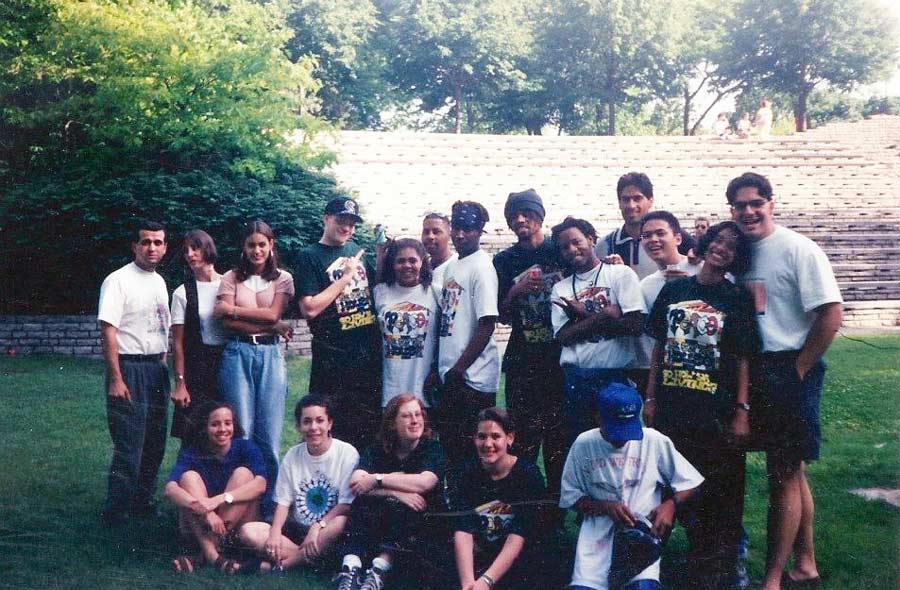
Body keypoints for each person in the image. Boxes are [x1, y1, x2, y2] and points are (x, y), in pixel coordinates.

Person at [727, 172, 842, 590]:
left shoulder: (797, 249)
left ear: (771, 203)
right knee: (791, 473)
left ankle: (772, 579)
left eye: (756, 202)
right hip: (751, 368)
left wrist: (798, 369)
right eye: (740, 205)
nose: (748, 211)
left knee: (782, 474)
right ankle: (805, 563)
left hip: (789, 367)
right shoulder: (740, 253)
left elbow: (831, 313)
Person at [644, 221, 760, 590]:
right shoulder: (675, 290)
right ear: (706, 243)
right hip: (673, 406)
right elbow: (659, 348)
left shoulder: (737, 297)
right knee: (665, 484)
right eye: (718, 240)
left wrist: (742, 411)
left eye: (731, 246)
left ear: (736, 258)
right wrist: (650, 397)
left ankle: (716, 570)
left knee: (718, 493)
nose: (722, 248)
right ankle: (647, 566)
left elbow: (742, 357)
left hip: (715, 408)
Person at [560, 383, 704, 590]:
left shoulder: (653, 441)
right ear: (598, 418)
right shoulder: (584, 444)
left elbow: (691, 481)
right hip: (597, 535)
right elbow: (570, 497)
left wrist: (670, 505)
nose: (622, 438)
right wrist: (605, 506)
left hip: (640, 538)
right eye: (615, 430)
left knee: (643, 586)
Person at [491, 189, 566, 521]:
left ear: (540, 216)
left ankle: (554, 516)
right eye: (513, 216)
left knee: (558, 443)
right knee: (522, 441)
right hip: (523, 361)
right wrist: (515, 291)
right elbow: (502, 315)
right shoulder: (504, 261)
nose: (520, 220)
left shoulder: (559, 250)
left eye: (526, 213)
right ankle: (520, 512)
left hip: (560, 360)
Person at [214, 220, 294, 514]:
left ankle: (271, 509)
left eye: (262, 244)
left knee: (270, 437)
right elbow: (225, 322)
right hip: (238, 353)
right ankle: (242, 507)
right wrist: (271, 323)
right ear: (243, 247)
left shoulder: (283, 279)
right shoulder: (230, 278)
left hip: (271, 356)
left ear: (271, 246)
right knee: (242, 432)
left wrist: (233, 308)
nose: (257, 250)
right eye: (251, 245)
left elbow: (274, 313)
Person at [98, 220, 171, 525]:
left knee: (155, 441)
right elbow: (108, 330)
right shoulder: (118, 280)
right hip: (129, 368)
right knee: (130, 444)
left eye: (158, 242)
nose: (151, 247)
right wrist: (116, 378)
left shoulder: (159, 282)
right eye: (146, 242)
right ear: (135, 246)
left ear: (165, 247)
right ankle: (116, 510)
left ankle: (143, 500)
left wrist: (163, 363)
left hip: (156, 369)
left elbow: (162, 326)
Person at [334, 394, 447, 590]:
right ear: (392, 423)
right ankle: (350, 569)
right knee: (361, 503)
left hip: (419, 523)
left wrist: (378, 480)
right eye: (406, 416)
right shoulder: (378, 448)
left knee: (407, 507)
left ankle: (378, 572)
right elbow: (356, 483)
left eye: (418, 414)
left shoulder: (432, 448)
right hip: (381, 518)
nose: (415, 421)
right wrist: (395, 492)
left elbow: (425, 483)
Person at [549, 217, 644, 445]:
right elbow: (564, 336)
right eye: (564, 247)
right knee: (582, 445)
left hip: (616, 377)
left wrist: (580, 317)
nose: (572, 250)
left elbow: (634, 325)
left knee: (620, 445)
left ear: (591, 239)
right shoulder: (560, 288)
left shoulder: (619, 274)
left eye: (576, 241)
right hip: (578, 378)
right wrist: (605, 315)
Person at [296, 197, 381, 451]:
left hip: (366, 352)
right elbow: (309, 308)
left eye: (352, 223)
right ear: (326, 218)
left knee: (368, 424)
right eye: (341, 221)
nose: (347, 228)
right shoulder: (309, 256)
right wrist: (344, 278)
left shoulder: (355, 249)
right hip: (333, 356)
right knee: (332, 424)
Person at [240, 395, 359, 572]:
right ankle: (310, 558)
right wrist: (275, 532)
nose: (313, 427)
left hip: (327, 531)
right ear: (298, 426)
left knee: (341, 522)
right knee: (248, 531)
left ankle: (282, 566)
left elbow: (345, 505)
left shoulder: (347, 453)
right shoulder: (292, 455)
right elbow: (283, 502)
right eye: (307, 421)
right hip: (296, 532)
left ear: (330, 423)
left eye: (320, 421)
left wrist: (318, 526)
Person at [450, 407, 547, 590]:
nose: (488, 444)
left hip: (513, 556)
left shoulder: (528, 475)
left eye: (496, 436)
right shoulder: (465, 473)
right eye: (481, 436)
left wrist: (486, 581)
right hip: (477, 553)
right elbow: (463, 528)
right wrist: (468, 584)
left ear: (509, 438)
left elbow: (520, 533)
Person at [165, 402, 267, 573]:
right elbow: (170, 489)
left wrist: (218, 500)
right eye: (215, 424)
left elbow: (261, 484)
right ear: (204, 427)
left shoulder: (246, 446)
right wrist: (206, 511)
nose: (222, 429)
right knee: (188, 478)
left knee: (243, 474)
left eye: (228, 423)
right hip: (202, 524)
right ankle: (214, 555)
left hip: (237, 526)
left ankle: (204, 555)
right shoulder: (192, 452)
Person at [438, 200, 501, 469]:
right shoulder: (453, 266)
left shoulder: (482, 267)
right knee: (453, 448)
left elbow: (487, 323)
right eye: (457, 228)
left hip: (471, 378)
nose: (461, 235)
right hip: (452, 375)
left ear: (479, 231)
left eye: (469, 229)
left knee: (471, 453)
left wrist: (459, 369)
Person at [634, 211, 702, 393]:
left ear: (678, 238)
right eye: (646, 236)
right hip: (669, 377)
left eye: (660, 233)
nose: (653, 239)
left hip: (705, 373)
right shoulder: (646, 286)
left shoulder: (702, 267)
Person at [170, 229, 227, 440]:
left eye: (195, 248)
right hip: (198, 368)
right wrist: (181, 384)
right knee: (195, 433)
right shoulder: (181, 293)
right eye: (186, 251)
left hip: (229, 362)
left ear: (207, 249)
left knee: (228, 430)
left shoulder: (229, 284)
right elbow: (177, 344)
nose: (190, 255)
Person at [374, 238, 441, 408]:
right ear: (393, 264)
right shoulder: (380, 292)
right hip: (390, 388)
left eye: (413, 260)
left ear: (422, 262)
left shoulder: (435, 293)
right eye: (400, 261)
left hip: (423, 388)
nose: (407, 265)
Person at [595, 172, 696, 281]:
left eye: (637, 198)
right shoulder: (605, 245)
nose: (631, 205)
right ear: (619, 203)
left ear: (650, 201)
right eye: (625, 199)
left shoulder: (672, 236)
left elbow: (701, 262)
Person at [422, 212, 457, 286]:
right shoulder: (420, 266)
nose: (430, 237)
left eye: (436, 232)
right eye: (426, 232)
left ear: (449, 234)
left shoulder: (458, 265)